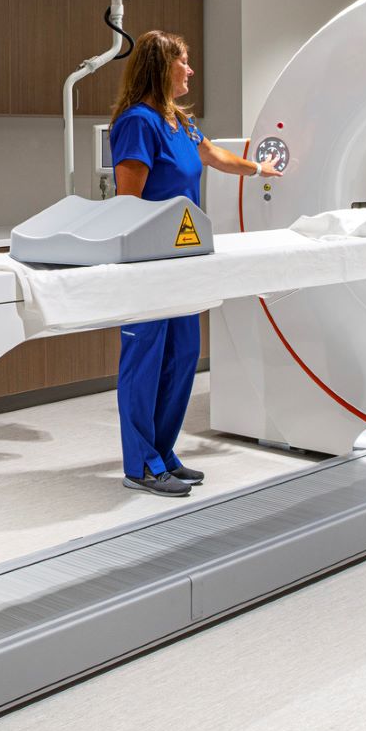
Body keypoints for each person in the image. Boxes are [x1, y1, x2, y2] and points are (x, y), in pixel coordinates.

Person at [108, 30, 283, 496]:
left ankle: (163, 453)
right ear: (160, 66)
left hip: (186, 259)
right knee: (145, 361)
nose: (189, 70)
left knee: (182, 356)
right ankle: (141, 465)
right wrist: (145, 256)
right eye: (182, 62)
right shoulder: (138, 123)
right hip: (150, 261)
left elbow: (213, 155)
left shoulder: (179, 122)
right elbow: (129, 199)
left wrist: (258, 168)